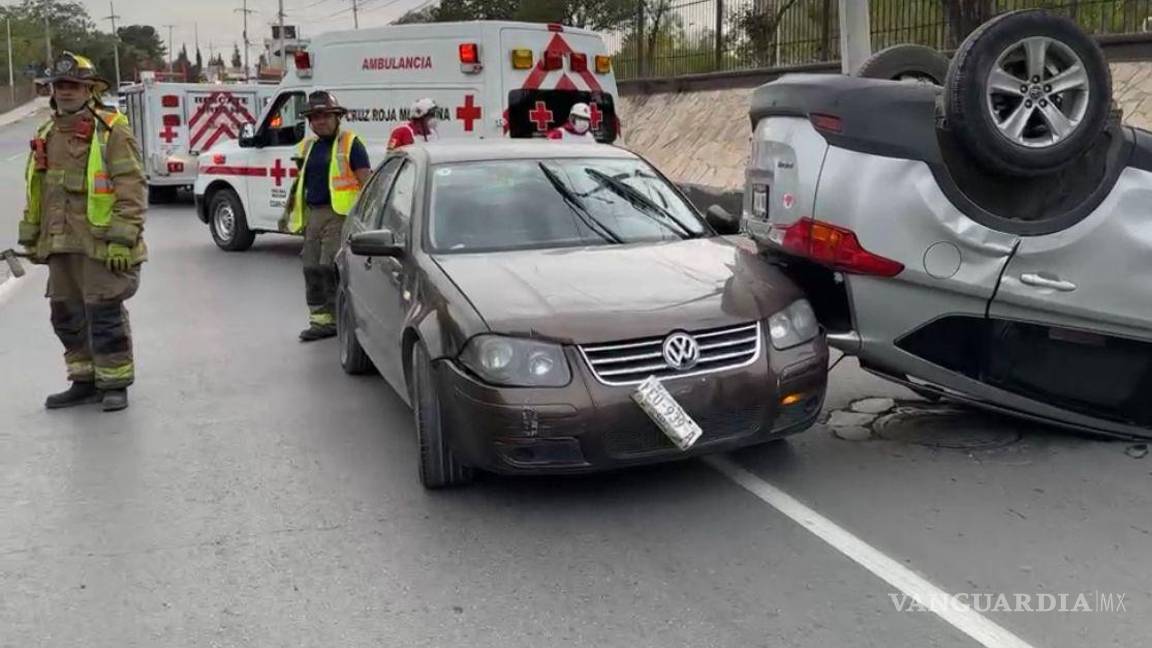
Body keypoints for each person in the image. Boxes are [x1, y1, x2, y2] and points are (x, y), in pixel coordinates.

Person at [17, 53, 147, 412]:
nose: (66, 91)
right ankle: (84, 381)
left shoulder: (111, 129)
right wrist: (31, 237)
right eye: (60, 85)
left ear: (90, 89)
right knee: (66, 316)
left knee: (104, 314)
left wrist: (123, 237)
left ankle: (115, 382)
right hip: (60, 243)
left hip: (100, 243)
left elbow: (131, 186)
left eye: (74, 85)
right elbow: (37, 189)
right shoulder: (46, 131)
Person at [282, 90, 371, 342]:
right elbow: (302, 183)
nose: (319, 121)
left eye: (324, 116)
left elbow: (366, 180)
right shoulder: (308, 146)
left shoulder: (351, 143)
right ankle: (321, 321)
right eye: (314, 117)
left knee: (329, 265)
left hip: (341, 214)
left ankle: (342, 316)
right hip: (315, 215)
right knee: (310, 266)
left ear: (337, 117)